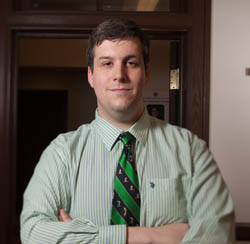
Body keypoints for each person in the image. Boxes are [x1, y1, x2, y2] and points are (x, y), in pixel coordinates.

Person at [20, 18, 235, 244]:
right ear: (91, 76)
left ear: (146, 73)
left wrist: (78, 236)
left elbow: (217, 236)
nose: (119, 75)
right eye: (107, 63)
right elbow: (34, 233)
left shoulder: (190, 149)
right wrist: (149, 236)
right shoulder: (62, 153)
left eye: (131, 63)